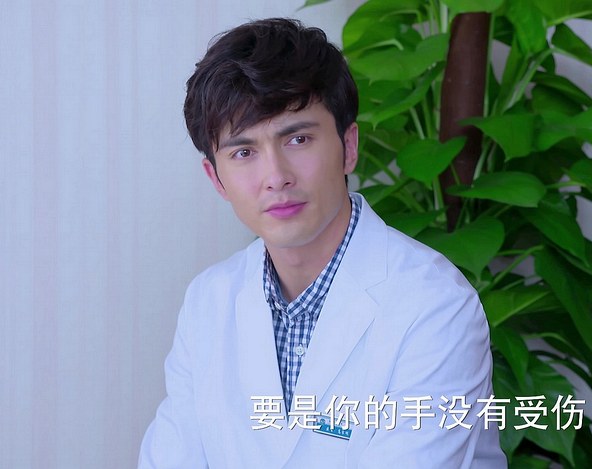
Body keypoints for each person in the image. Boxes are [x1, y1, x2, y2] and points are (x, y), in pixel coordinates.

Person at [138, 18, 506, 468]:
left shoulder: (435, 306)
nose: (276, 177)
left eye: (298, 139)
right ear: (216, 179)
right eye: (244, 152)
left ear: (348, 146)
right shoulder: (207, 302)